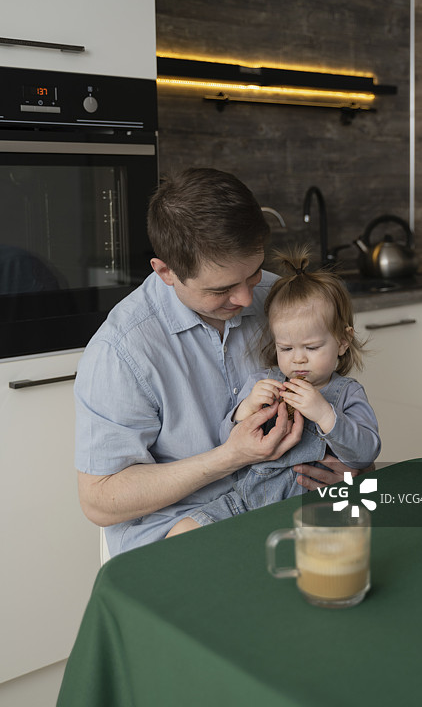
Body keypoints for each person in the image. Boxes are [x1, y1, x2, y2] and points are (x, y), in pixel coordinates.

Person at [75, 168, 367, 556]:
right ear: (166, 272)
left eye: (253, 272)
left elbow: (346, 412)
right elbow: (99, 500)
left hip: (286, 503)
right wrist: (232, 456)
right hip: (184, 527)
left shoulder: (278, 299)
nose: (248, 299)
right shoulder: (122, 350)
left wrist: (350, 471)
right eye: (222, 289)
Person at [169, 247, 380, 533]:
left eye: (312, 347)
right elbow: (226, 441)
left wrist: (324, 414)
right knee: (182, 531)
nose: (298, 358)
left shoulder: (346, 393)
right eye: (286, 348)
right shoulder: (264, 380)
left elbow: (365, 454)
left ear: (343, 341)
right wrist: (244, 410)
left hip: (312, 506)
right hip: (246, 500)